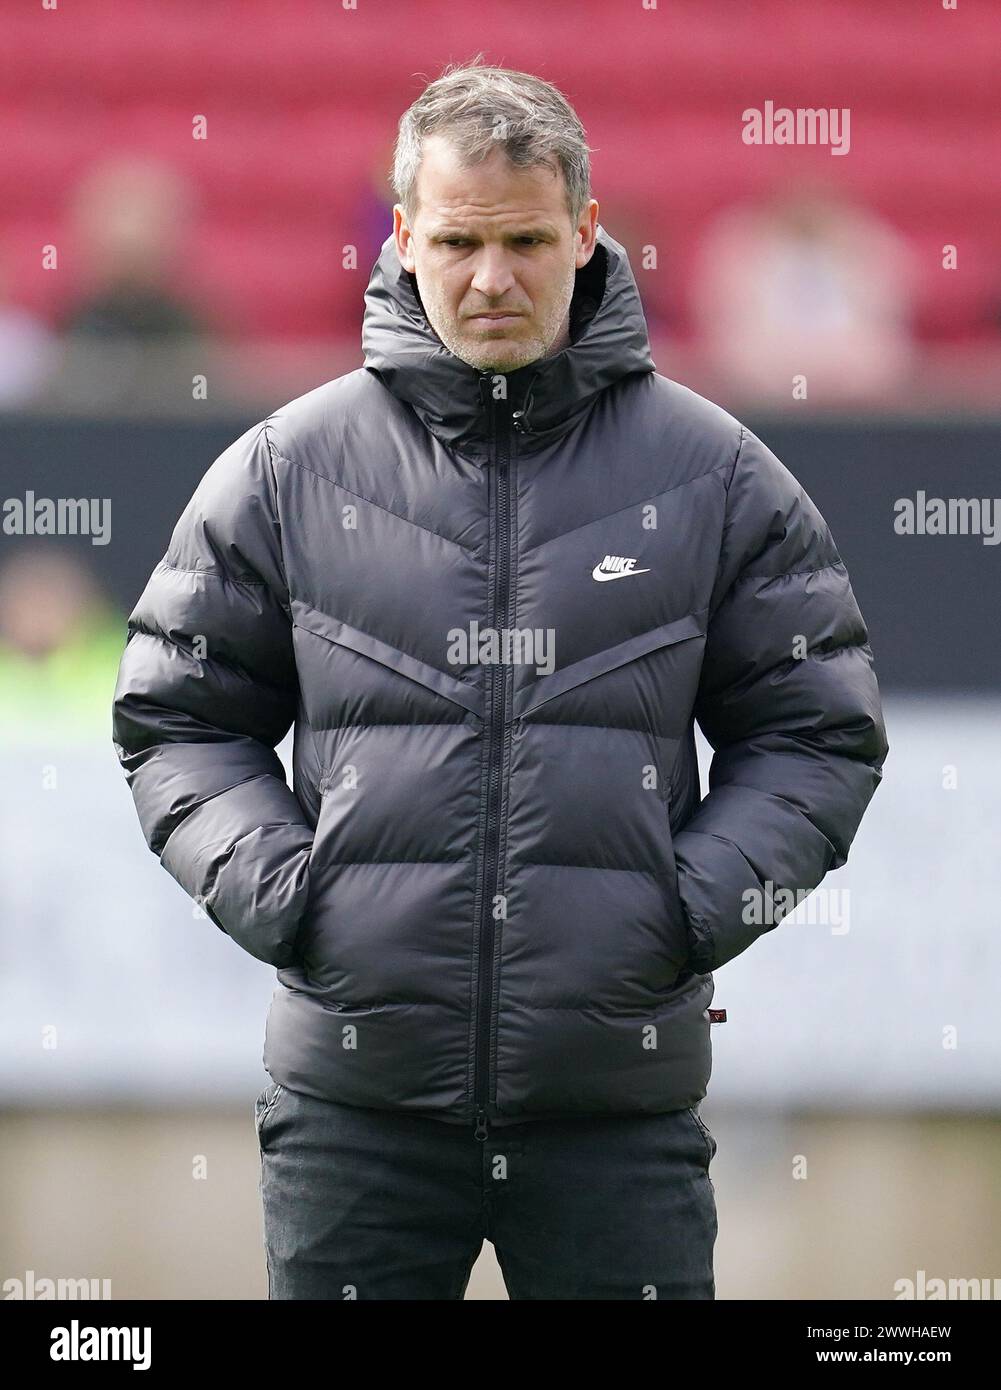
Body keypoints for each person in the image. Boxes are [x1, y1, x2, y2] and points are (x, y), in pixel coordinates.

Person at [111, 57, 889, 1300]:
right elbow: (176, 715)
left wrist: (679, 913)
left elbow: (816, 732)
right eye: (458, 241)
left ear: (585, 234)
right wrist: (290, 898)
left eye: (526, 239)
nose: (490, 279)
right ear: (404, 234)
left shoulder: (718, 475)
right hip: (354, 1109)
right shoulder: (284, 469)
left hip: (613, 1114)